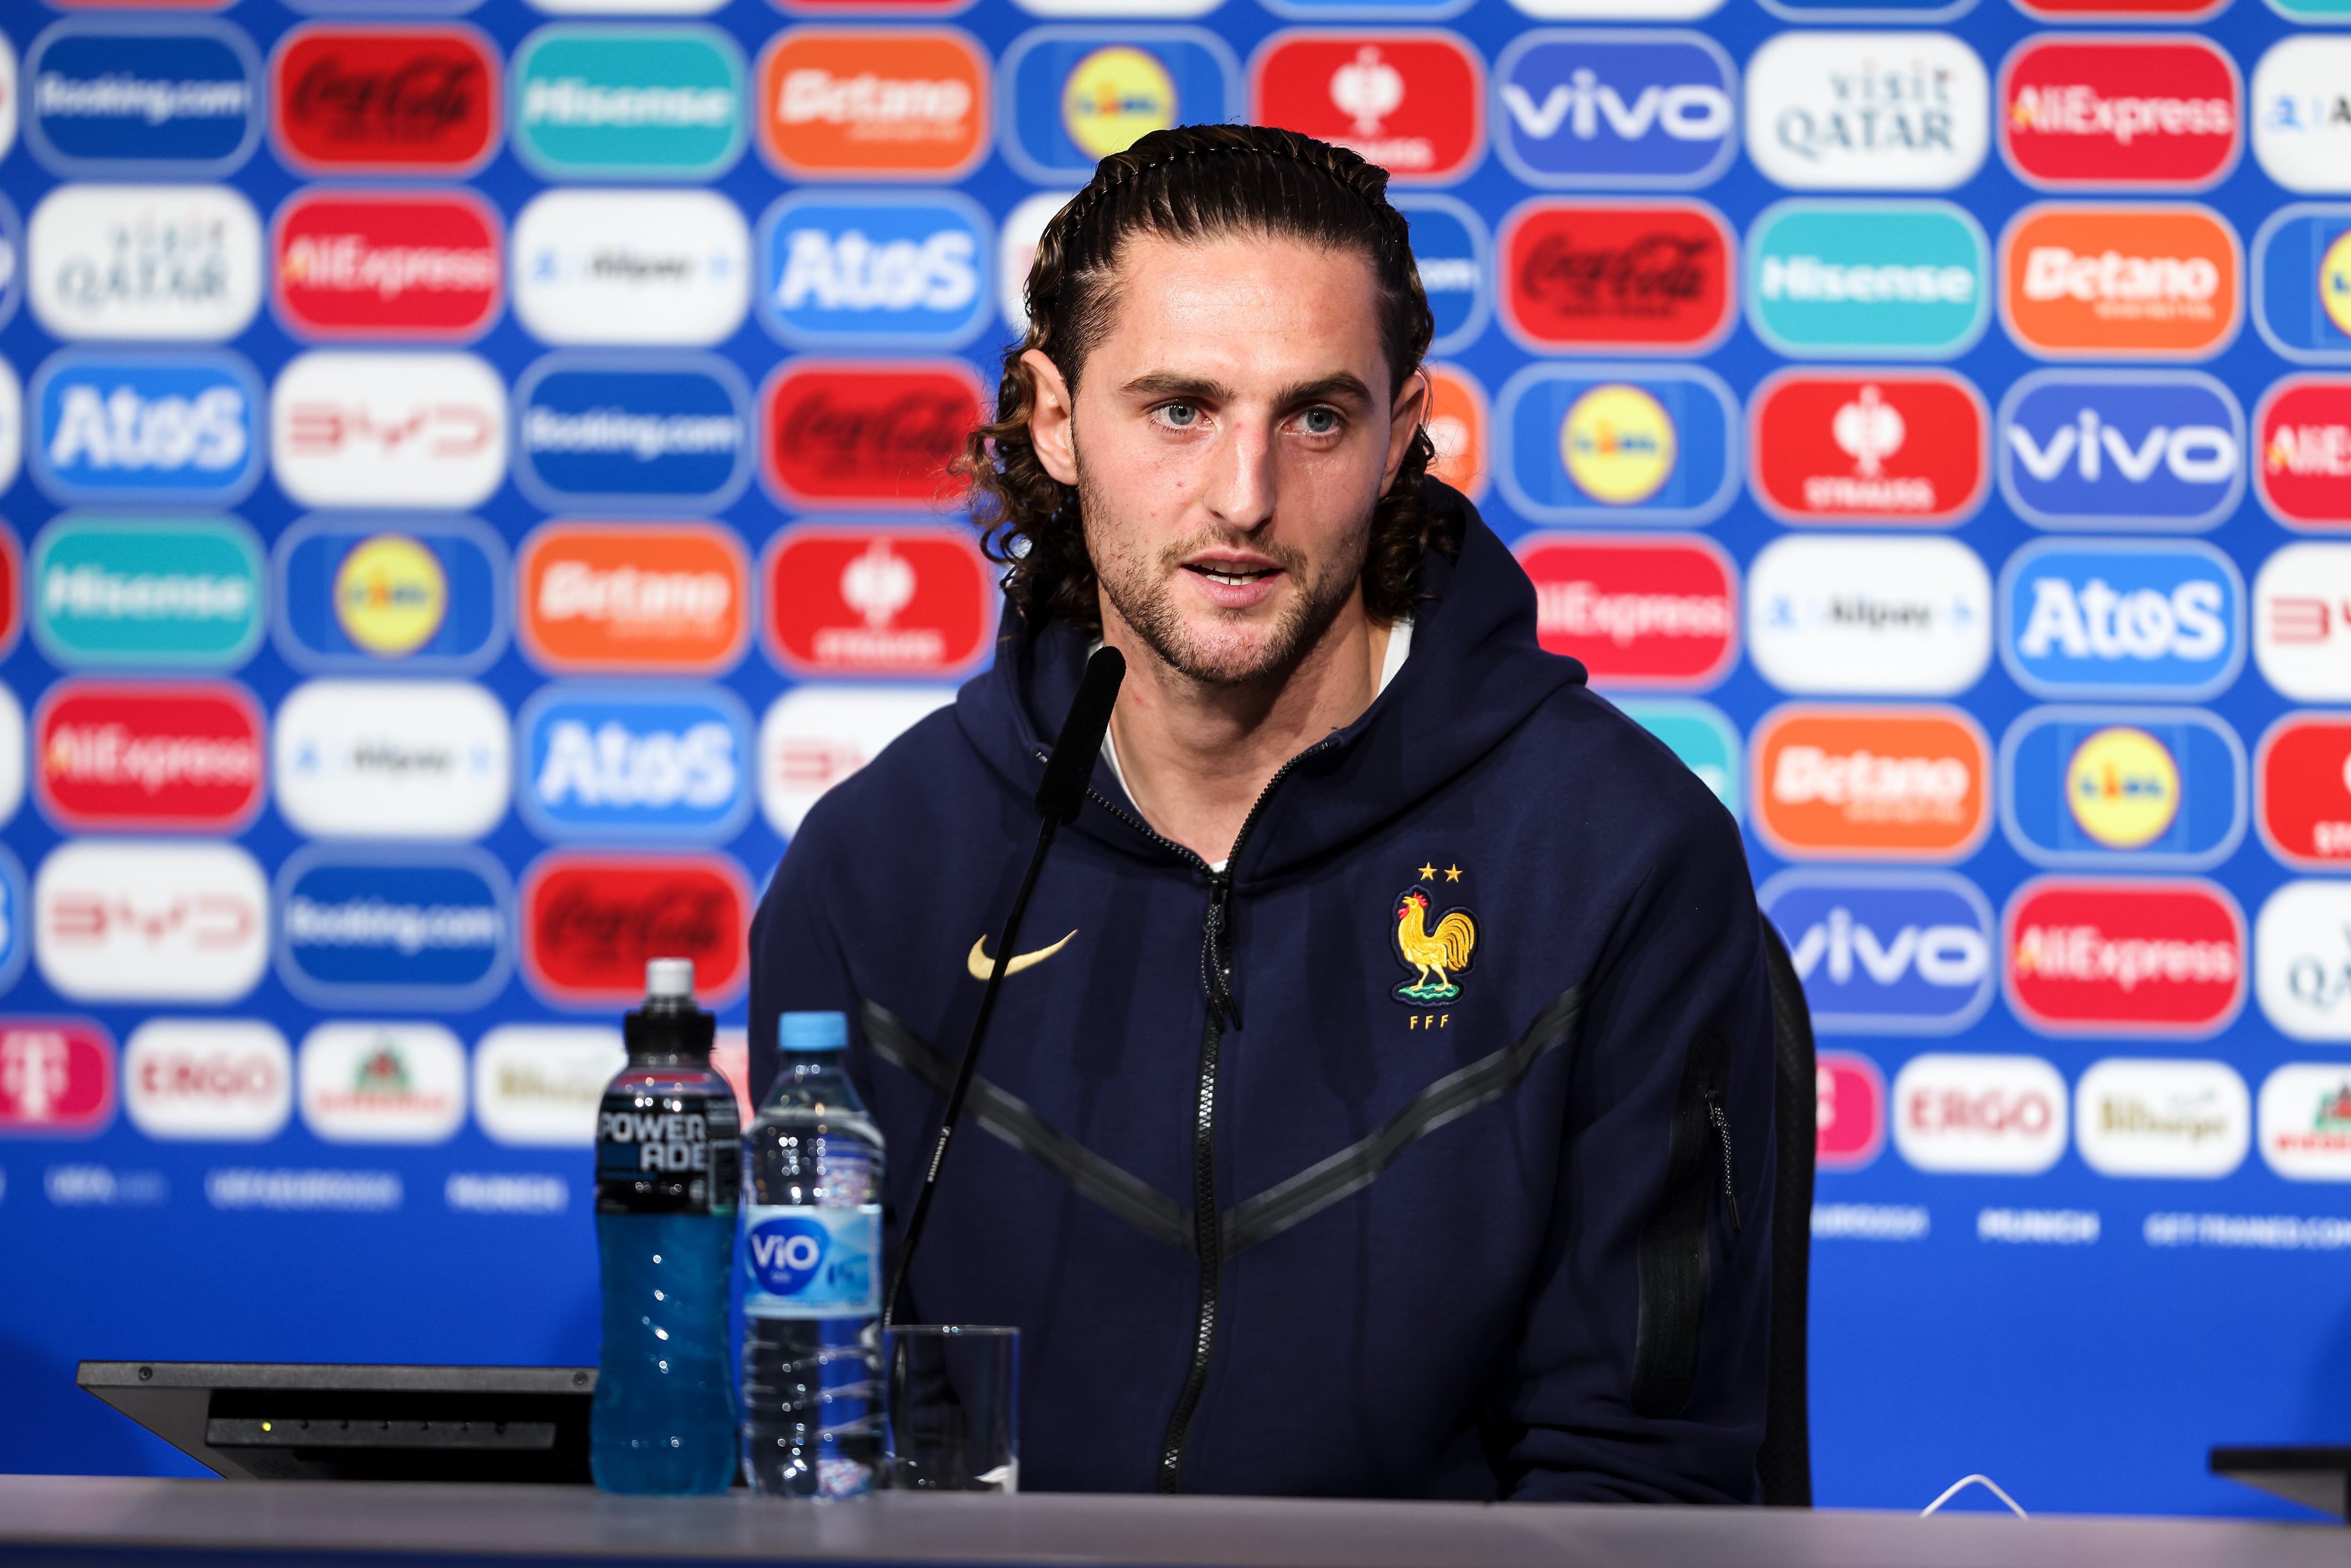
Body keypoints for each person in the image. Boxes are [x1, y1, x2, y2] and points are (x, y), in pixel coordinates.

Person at [749, 123, 1777, 1502]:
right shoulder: (878, 877)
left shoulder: (1612, 855)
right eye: (1179, 409)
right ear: (1056, 420)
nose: (1244, 496)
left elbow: (1639, 1481)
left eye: (1316, 417)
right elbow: (827, 1449)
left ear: (1405, 428)